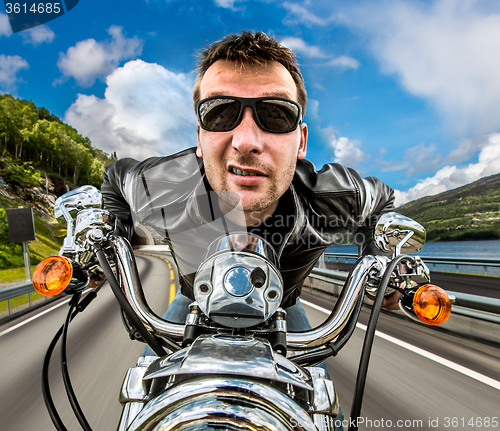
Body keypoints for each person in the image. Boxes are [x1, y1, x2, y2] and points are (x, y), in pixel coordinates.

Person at [102, 30, 397, 430]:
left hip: (283, 307)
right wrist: (111, 235)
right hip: (192, 303)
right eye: (220, 113)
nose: (245, 141)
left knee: (326, 407)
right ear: (200, 137)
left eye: (275, 114)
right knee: (143, 389)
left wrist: (383, 262)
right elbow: (115, 178)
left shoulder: (334, 199)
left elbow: (382, 203)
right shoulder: (161, 188)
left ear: (301, 141)